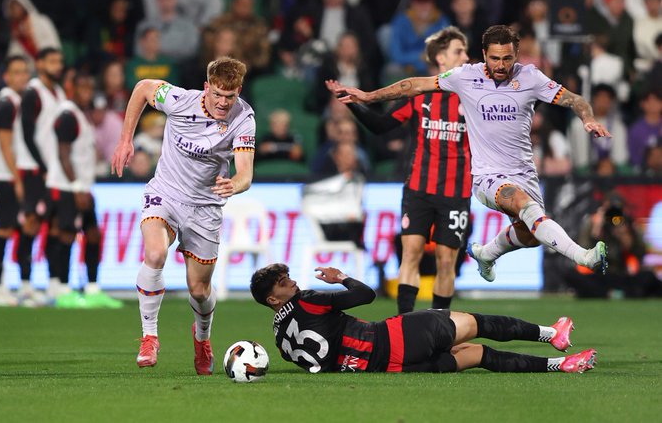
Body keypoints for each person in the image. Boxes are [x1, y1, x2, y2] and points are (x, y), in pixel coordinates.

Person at [330, 25, 610, 282]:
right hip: (487, 177)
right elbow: (415, 85)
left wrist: (588, 118)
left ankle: (486, 254)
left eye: (507, 58)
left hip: (525, 173)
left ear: (516, 54)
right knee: (524, 206)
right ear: (484, 54)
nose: (501, 65)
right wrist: (368, 96)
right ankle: (584, 257)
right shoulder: (465, 76)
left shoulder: (531, 77)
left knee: (531, 235)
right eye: (495, 58)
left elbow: (574, 99)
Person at [111, 56, 256, 374]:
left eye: (229, 97)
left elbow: (245, 173)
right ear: (206, 87)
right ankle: (149, 337)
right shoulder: (179, 100)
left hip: (205, 208)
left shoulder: (244, 118)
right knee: (155, 253)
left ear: (238, 92)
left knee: (199, 290)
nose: (222, 103)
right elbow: (143, 88)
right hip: (166, 193)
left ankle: (202, 338)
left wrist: (234, 184)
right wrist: (125, 140)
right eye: (217, 94)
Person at [326, 26, 471, 314]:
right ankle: (404, 323)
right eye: (459, 51)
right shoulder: (419, 96)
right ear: (441, 58)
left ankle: (440, 324)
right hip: (418, 189)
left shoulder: (473, 97)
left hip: (456, 192)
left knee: (446, 261)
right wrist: (353, 104)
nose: (466, 57)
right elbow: (381, 126)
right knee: (410, 254)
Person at [249, 263, 598, 374]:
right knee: (476, 323)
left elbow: (317, 361)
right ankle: (551, 334)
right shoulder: (309, 301)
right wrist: (341, 278)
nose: (291, 282)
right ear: (272, 299)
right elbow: (366, 295)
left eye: (287, 277)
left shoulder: (280, 341)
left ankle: (561, 365)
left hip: (391, 368)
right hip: (394, 337)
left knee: (479, 355)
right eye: (282, 283)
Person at [45, 73, 122, 309]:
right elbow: (63, 155)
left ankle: (92, 289)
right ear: (73, 89)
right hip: (68, 187)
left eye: (90, 88)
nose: (87, 93)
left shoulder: (80, 115)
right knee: (66, 234)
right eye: (83, 88)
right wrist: (77, 187)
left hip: (82, 186)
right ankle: (63, 290)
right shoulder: (68, 115)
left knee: (93, 234)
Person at [16, 47, 66, 306]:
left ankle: (54, 283)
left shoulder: (59, 92)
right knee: (31, 223)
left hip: (54, 170)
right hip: (34, 169)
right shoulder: (32, 93)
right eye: (52, 61)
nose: (58, 66)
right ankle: (25, 285)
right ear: (40, 64)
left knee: (56, 224)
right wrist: (43, 165)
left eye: (59, 61)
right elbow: (27, 133)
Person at [0, 55, 30, 307]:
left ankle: (17, 286)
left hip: (9, 174)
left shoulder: (14, 101)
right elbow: (4, 144)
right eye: (16, 72)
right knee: (4, 229)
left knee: (14, 228)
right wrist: (17, 178)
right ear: (7, 76)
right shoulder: (6, 103)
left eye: (24, 72)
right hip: (4, 175)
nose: (22, 76)